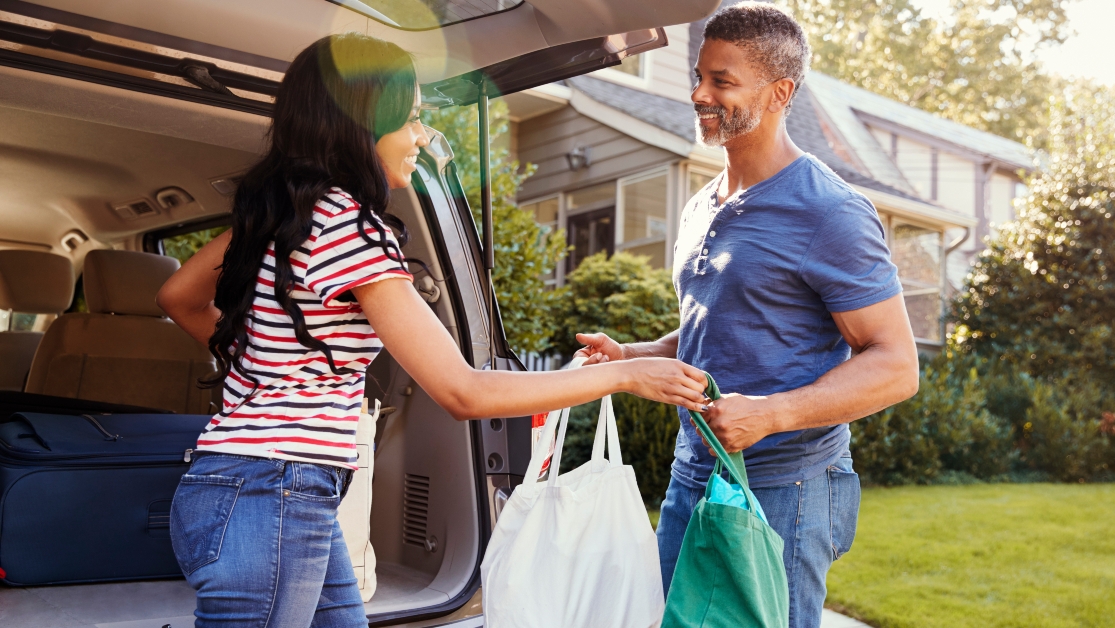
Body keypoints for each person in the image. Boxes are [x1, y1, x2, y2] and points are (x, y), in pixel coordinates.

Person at [156, 33, 708, 628]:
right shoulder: (348, 226)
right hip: (274, 490)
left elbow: (178, 296)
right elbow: (463, 391)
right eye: (413, 118)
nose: (422, 136)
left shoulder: (279, 215)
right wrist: (626, 374)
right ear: (361, 123)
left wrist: (268, 369)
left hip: (259, 484)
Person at [575, 3, 920, 626]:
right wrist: (630, 356)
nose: (698, 93)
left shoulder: (830, 214)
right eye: (699, 75)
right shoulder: (703, 204)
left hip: (782, 490)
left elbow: (896, 366)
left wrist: (773, 413)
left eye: (722, 81)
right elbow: (720, 327)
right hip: (693, 477)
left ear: (780, 92)